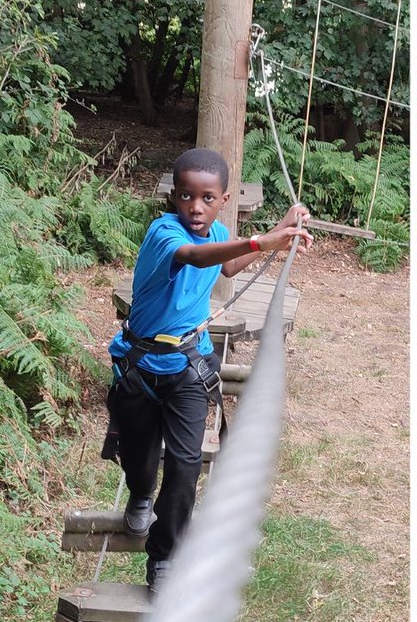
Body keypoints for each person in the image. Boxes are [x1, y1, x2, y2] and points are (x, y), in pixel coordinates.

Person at [103, 147, 312, 593]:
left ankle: (163, 557)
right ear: (172, 196)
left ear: (224, 199)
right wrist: (261, 241)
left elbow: (228, 263)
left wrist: (279, 229)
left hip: (187, 368)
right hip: (141, 367)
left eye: (207, 198)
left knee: (185, 463)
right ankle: (140, 493)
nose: (195, 208)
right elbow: (196, 258)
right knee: (140, 461)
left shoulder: (217, 231)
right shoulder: (163, 233)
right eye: (185, 196)